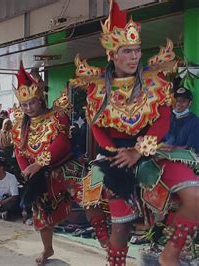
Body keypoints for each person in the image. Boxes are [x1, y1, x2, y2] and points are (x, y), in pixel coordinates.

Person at [70, 1, 199, 265]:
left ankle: (169, 256)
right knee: (121, 227)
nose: (134, 57)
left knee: (195, 196)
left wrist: (138, 151)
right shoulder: (97, 89)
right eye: (127, 51)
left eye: (137, 50)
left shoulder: (155, 80)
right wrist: (118, 154)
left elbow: (163, 121)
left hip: (151, 151)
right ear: (112, 55)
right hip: (115, 157)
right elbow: (97, 128)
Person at [12, 61, 82, 265]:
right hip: (39, 175)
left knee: (90, 196)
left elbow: (62, 143)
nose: (29, 108)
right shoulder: (19, 127)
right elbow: (19, 150)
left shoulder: (57, 116)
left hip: (63, 167)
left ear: (40, 99)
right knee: (41, 214)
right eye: (24, 105)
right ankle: (47, 249)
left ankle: (104, 237)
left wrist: (39, 164)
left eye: (32, 103)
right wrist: (27, 169)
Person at [165, 87, 199, 152]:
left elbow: (192, 150)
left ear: (190, 103)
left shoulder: (195, 122)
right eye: (176, 100)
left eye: (183, 101)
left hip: (181, 160)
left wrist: (169, 149)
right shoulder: (167, 118)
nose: (178, 103)